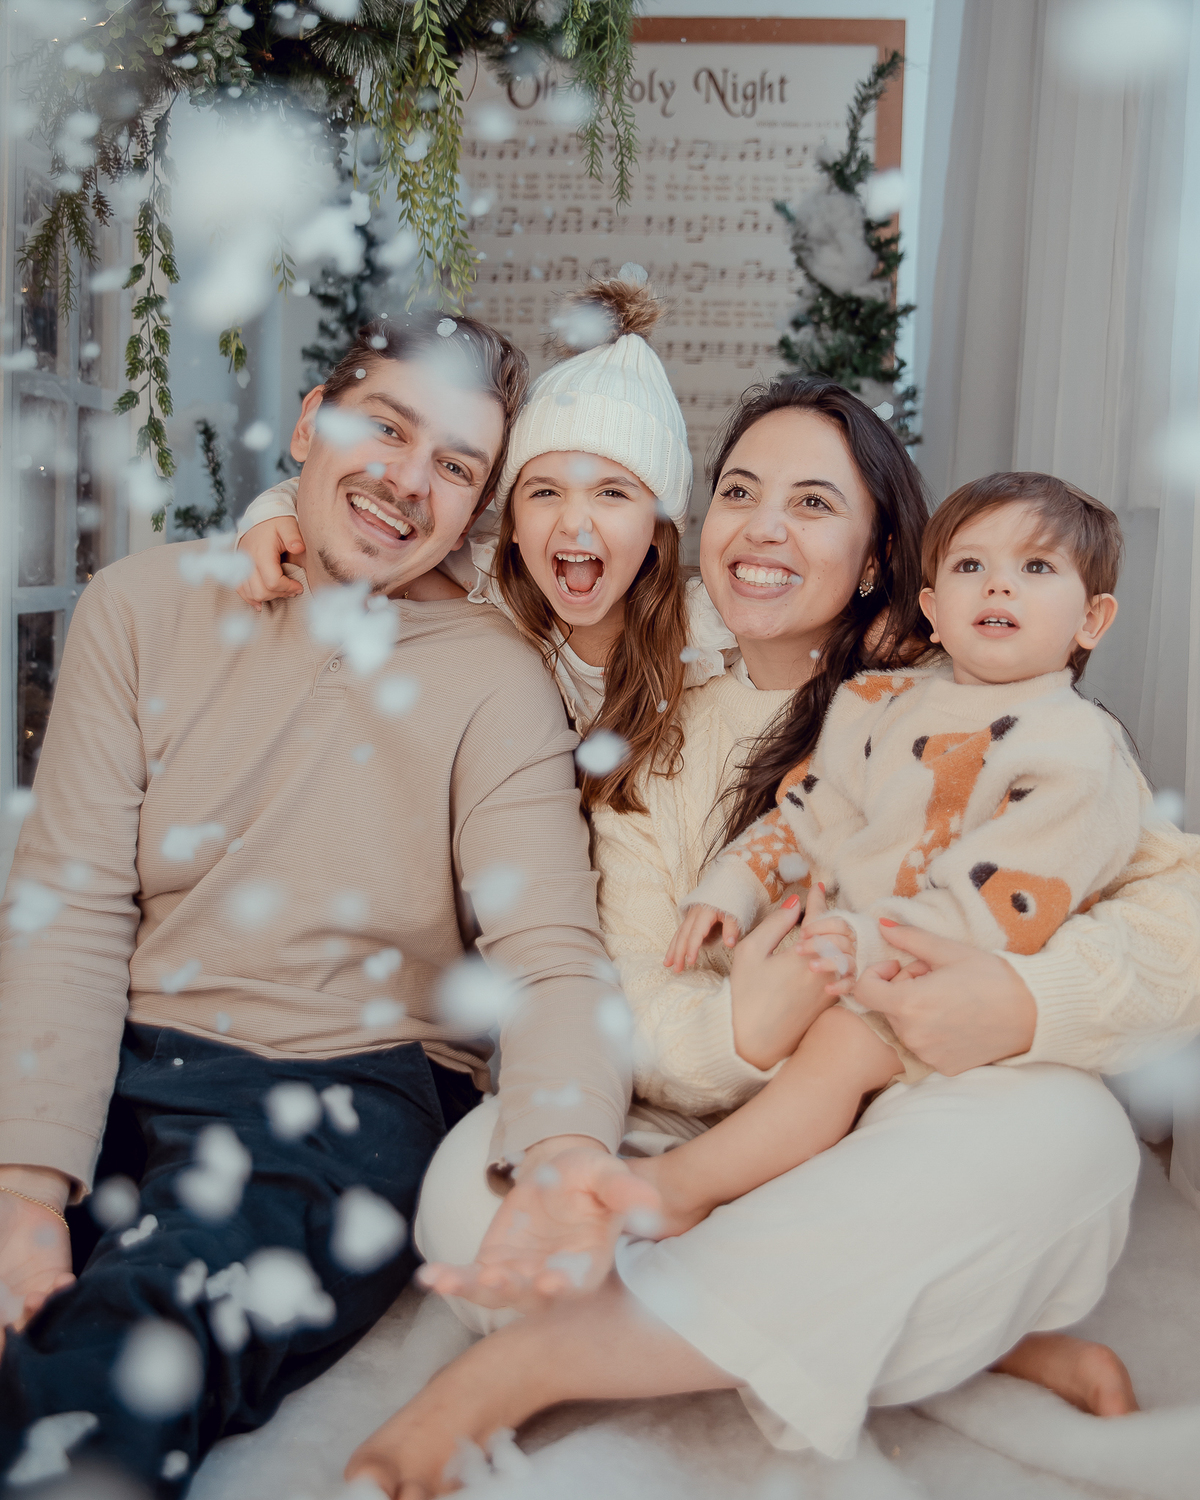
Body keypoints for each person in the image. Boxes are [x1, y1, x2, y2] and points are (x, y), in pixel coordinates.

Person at [344, 377, 1200, 1498]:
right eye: (740, 492)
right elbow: (618, 997)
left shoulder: (982, 701)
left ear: (885, 551)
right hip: (693, 1136)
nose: (763, 528)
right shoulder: (652, 730)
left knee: (1073, 1144)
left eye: (812, 503)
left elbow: (1174, 928)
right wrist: (746, 1028)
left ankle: (542, 1364)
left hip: (912, 1121)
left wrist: (1022, 1004)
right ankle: (908, 1330)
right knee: (479, 1192)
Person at [0, 311, 651, 1492]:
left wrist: (562, 1161)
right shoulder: (140, 606)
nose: (407, 480)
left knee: (145, 1325)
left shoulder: (494, 680)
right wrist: (26, 1187)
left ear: (475, 512)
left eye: (455, 467)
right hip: (123, 1045)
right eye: (384, 428)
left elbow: (552, 954)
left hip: (345, 1087)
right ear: (309, 420)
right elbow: (75, 900)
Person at [645, 472, 1139, 1235]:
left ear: (1092, 619)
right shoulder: (880, 703)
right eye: (971, 567)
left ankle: (679, 1188)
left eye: (1036, 568)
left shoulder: (1074, 747)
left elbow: (1008, 897)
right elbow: (812, 817)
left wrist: (863, 941)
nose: (1000, 586)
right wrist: (734, 883)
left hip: (950, 980)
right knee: (817, 1111)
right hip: (848, 955)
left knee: (837, 1053)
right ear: (934, 610)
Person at [233, 273, 735, 802]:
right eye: (545, 493)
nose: (575, 523)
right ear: (511, 526)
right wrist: (273, 511)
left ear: (658, 529)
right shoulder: (489, 584)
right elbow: (374, 518)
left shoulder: (699, 628)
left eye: (612, 494)